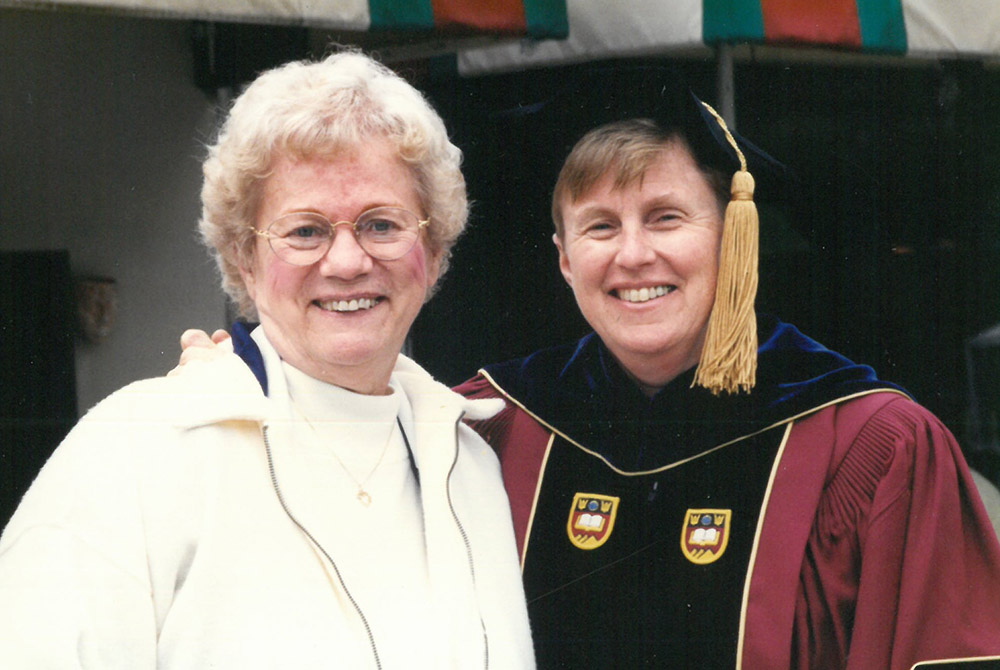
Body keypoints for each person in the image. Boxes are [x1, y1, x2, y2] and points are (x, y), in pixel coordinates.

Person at [177, 98, 1000, 668]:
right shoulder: (487, 425)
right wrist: (245, 393)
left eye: (666, 219)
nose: (633, 254)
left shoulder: (868, 444)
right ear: (565, 260)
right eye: (600, 227)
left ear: (732, 240)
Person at [0, 51, 533, 669]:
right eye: (305, 231)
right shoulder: (138, 452)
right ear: (243, 260)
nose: (347, 262)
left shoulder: (468, 462)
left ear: (436, 251)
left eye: (382, 225)